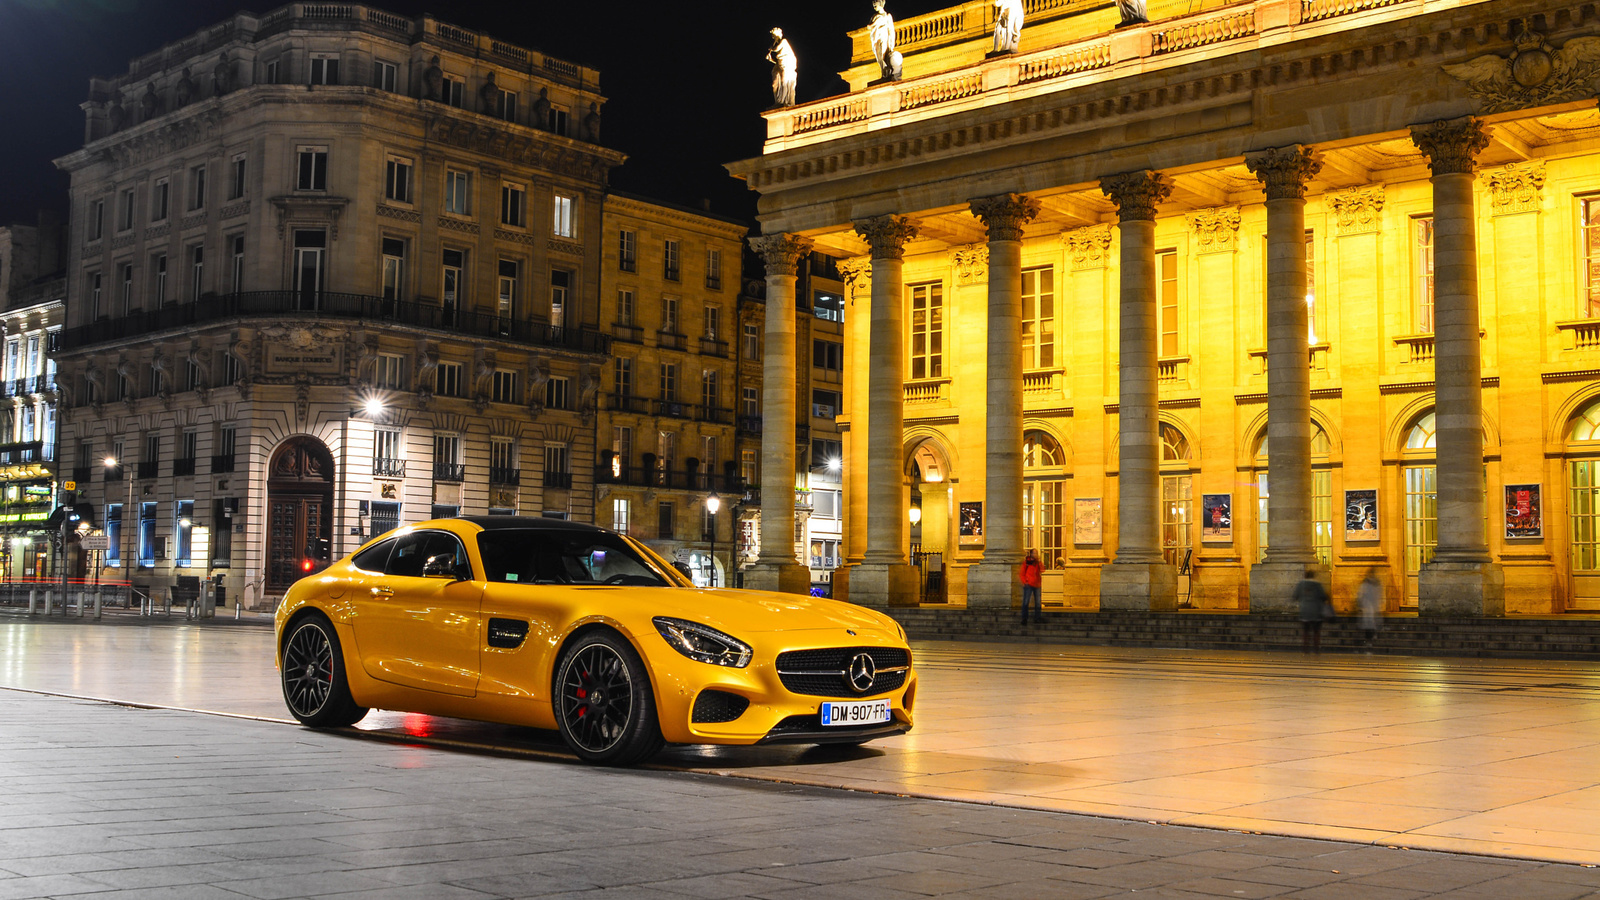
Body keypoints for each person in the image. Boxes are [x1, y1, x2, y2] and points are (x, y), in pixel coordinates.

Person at [1294, 569, 1330, 654]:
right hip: (1317, 611)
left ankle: (1305, 649)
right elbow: (1323, 596)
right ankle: (1316, 649)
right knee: (1316, 631)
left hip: (1304, 611)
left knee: (1306, 632)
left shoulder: (1301, 584)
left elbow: (1295, 596)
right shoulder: (1318, 585)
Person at [767, 28, 798, 108]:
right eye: (773, 37)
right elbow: (778, 61)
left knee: (784, 81)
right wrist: (771, 59)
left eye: (774, 36)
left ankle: (784, 101)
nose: (774, 38)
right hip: (780, 64)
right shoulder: (778, 44)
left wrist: (771, 48)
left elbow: (777, 48)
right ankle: (778, 101)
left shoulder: (784, 41)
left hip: (786, 64)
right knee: (775, 84)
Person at [1358, 567, 1383, 649]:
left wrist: (1360, 603)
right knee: (1371, 622)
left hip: (1369, 606)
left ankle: (1369, 640)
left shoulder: (1367, 583)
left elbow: (1361, 594)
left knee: (1369, 623)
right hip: (1371, 605)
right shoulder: (1375, 583)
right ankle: (1371, 638)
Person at [1019, 550, 1042, 625]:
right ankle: (1024, 618)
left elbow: (1042, 570)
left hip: (1037, 584)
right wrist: (1024, 581)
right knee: (1026, 602)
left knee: (1038, 603)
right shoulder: (1026, 563)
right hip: (1028, 584)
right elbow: (1022, 573)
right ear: (1031, 554)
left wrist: (1039, 562)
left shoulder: (1037, 562)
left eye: (1036, 553)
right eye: (1034, 553)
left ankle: (1037, 618)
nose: (1035, 554)